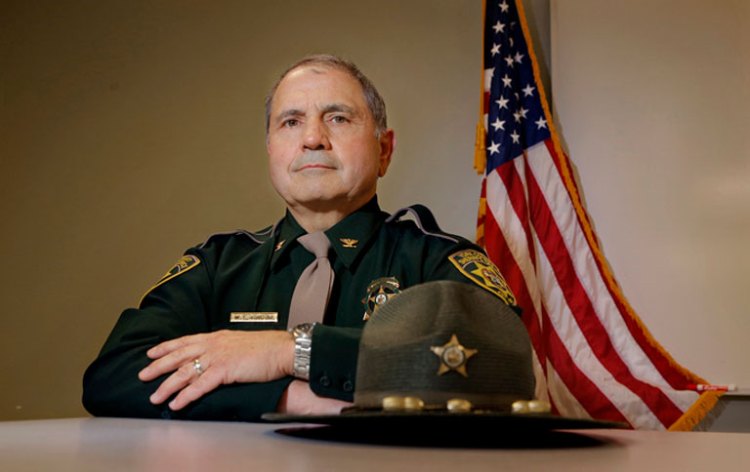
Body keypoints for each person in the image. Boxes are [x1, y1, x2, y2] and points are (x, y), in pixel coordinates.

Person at [82, 54, 519, 421]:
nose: (312, 138)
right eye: (290, 122)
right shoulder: (217, 265)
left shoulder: (434, 260)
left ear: (384, 150)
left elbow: (501, 361)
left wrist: (292, 351)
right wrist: (286, 399)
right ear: (271, 149)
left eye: (338, 118)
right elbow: (114, 374)